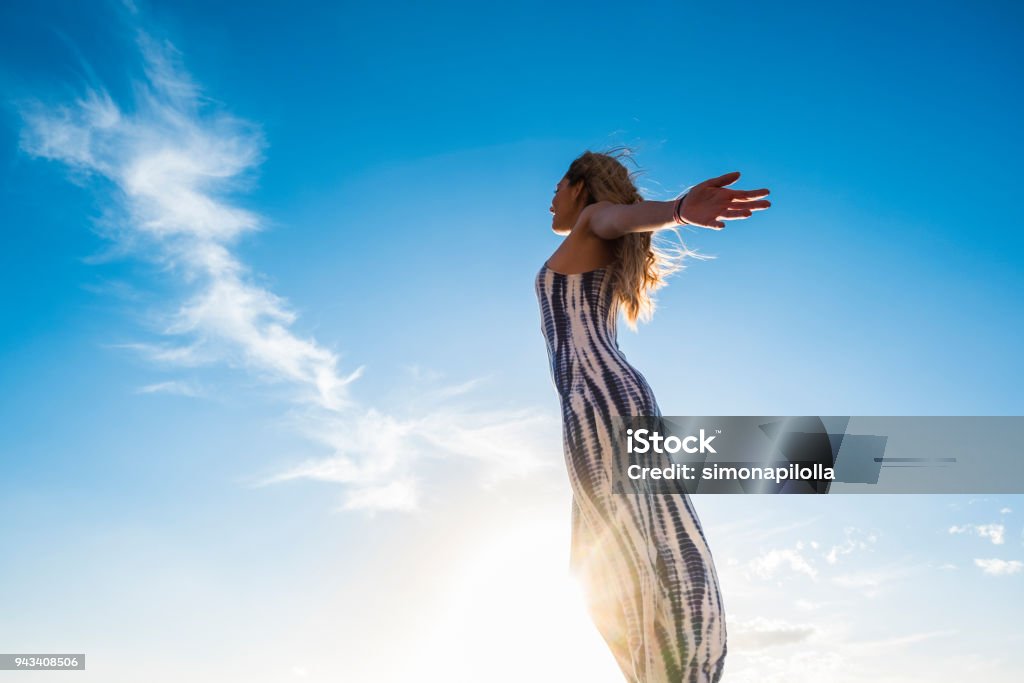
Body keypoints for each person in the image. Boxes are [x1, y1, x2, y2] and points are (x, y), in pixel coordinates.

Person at [535, 149, 771, 682]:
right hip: (613, 397)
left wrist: (681, 209)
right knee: (635, 543)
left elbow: (622, 216)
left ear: (580, 187)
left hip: (596, 398)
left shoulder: (595, 220)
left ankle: (675, 673)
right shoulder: (588, 242)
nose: (550, 197)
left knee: (623, 551)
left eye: (557, 184)